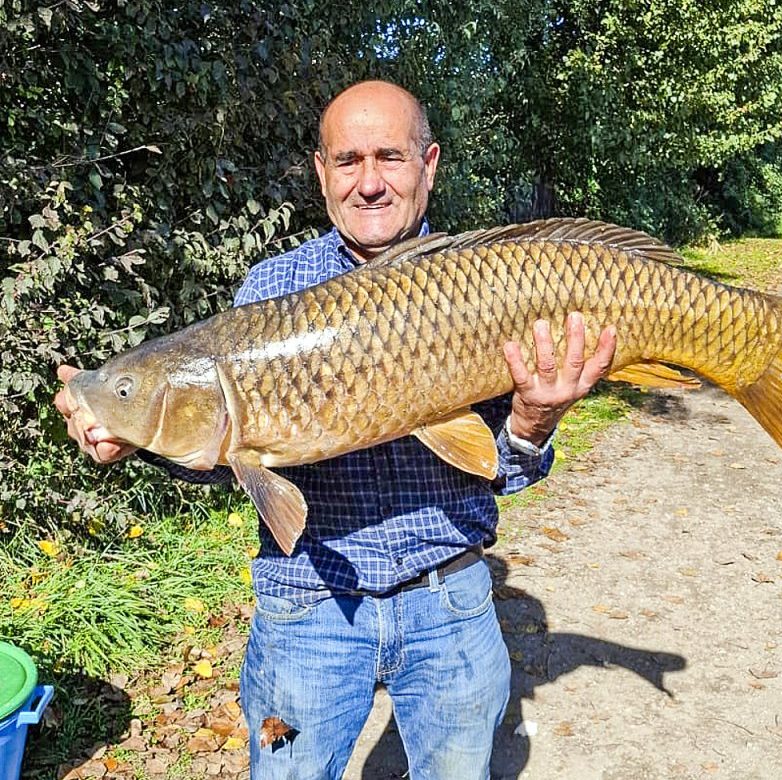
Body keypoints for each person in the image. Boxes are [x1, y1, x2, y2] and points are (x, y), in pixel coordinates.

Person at [55, 80, 617, 779]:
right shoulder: (271, 292)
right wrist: (127, 432)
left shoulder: (487, 280)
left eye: (390, 157)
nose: (370, 183)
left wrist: (534, 420)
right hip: (309, 610)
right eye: (348, 161)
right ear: (321, 172)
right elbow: (218, 444)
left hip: (451, 601)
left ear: (429, 164)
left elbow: (502, 466)